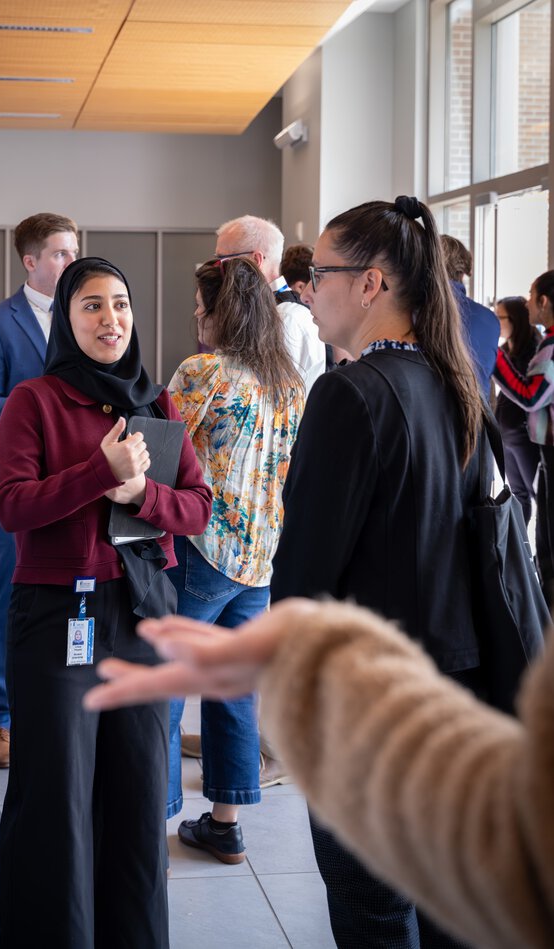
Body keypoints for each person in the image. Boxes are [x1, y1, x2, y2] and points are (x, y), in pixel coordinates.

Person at [83, 596, 554, 949]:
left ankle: (153, 840)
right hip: (257, 546)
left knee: (375, 904)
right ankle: (223, 823)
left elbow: (316, 560)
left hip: (218, 549)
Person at [269, 196, 485, 947]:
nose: (307, 289)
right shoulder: (451, 385)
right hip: (449, 689)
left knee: (373, 915)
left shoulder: (349, 395)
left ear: (371, 284)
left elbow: (303, 575)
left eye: (320, 273)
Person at [0, 257, 212, 948]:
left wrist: (138, 494)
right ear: (66, 317)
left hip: (141, 617)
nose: (110, 319)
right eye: (91, 305)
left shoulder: (159, 404)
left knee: (139, 797)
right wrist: (98, 473)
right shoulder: (36, 401)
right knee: (57, 802)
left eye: (119, 303)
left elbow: (199, 508)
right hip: (60, 621)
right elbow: (11, 504)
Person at [165, 257, 304, 864]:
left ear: (227, 312)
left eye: (204, 308)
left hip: (202, 552)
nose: (198, 317)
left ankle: (152, 821)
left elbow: (159, 448)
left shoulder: (203, 373)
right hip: (260, 560)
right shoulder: (289, 381)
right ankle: (226, 824)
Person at [0, 212, 79, 768]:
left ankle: (54, 711)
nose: (70, 261)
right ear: (31, 261)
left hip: (81, 485)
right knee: (12, 599)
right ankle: (0, 720)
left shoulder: (87, 315)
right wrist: (39, 407)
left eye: (73, 251)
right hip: (21, 485)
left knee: (70, 597)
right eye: (60, 253)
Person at [493, 270, 554, 602]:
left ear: (544, 301)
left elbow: (530, 395)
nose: (528, 301)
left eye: (532, 295)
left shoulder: (550, 347)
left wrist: (494, 357)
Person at [214, 215, 325, 394]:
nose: (217, 268)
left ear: (256, 260)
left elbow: (274, 401)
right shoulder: (260, 312)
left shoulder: (286, 318)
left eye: (223, 260)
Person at [493, 296, 542, 524]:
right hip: (506, 437)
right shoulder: (504, 350)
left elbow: (528, 395)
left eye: (499, 317)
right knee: (517, 495)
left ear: (515, 321)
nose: (494, 322)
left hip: (524, 437)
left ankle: (542, 557)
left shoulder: (534, 353)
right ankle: (521, 555)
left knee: (538, 496)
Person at [440, 234, 500, 398]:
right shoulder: (490, 320)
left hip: (426, 421)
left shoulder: (411, 313)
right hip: (477, 420)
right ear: (464, 272)